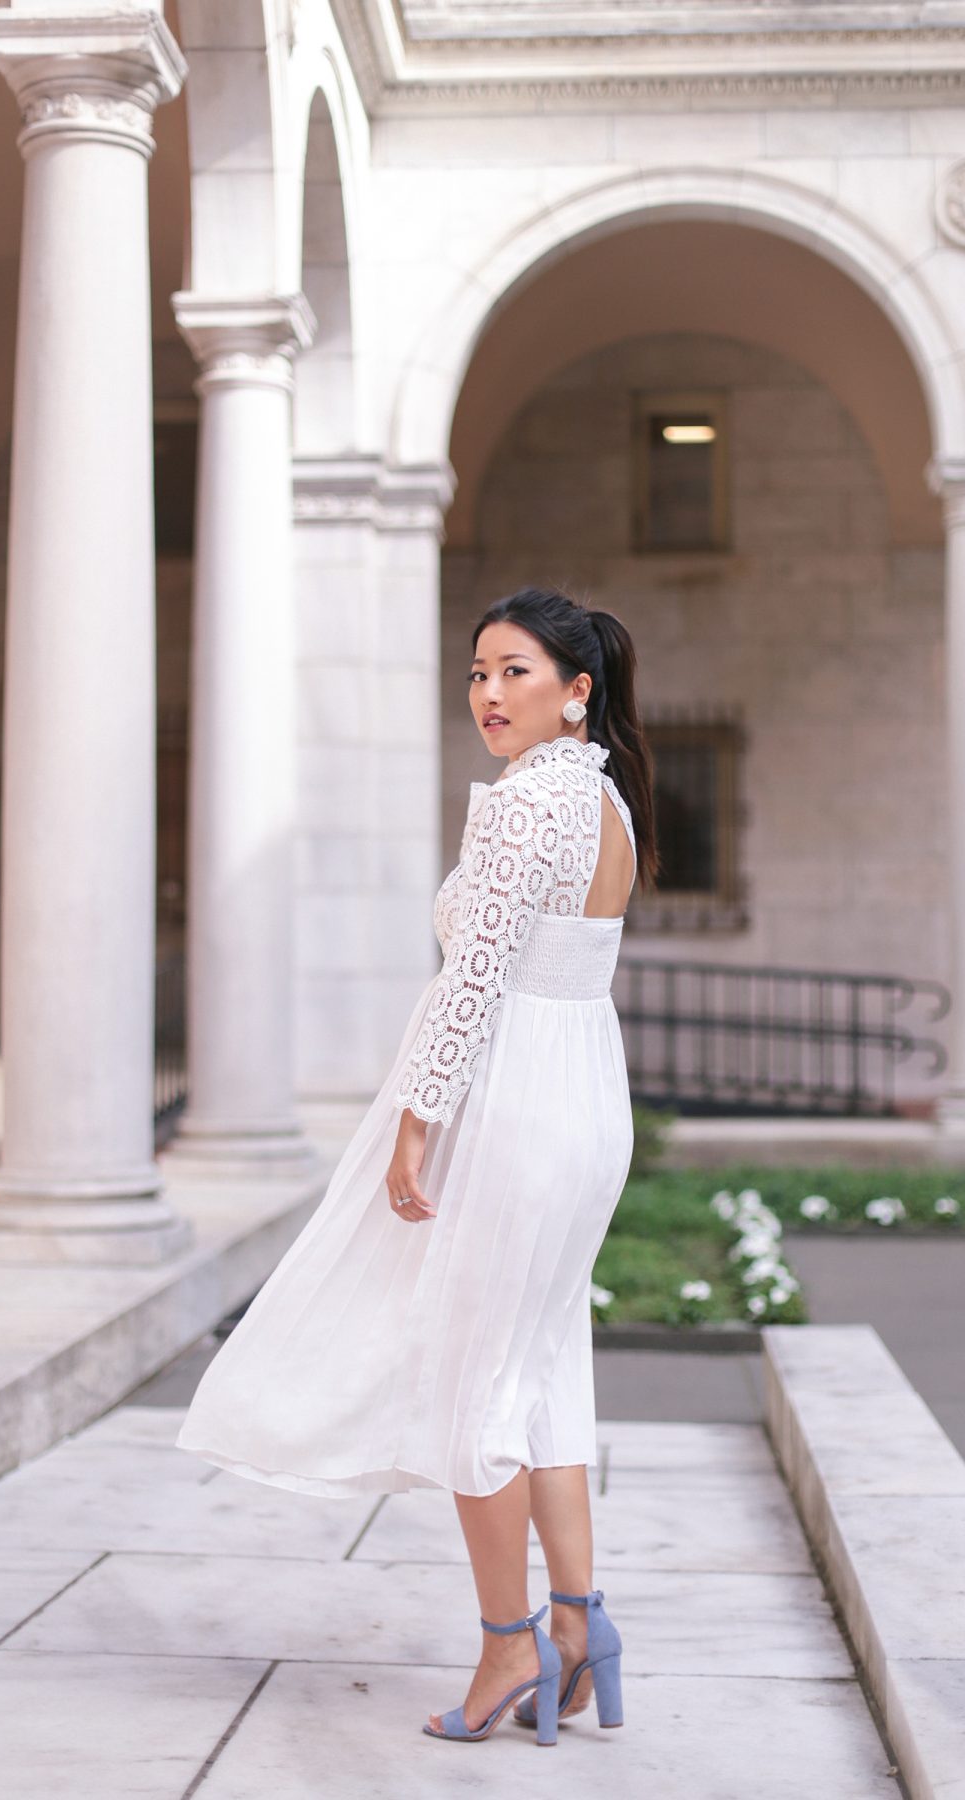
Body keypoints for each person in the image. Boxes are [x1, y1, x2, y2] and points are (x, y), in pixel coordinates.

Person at [174, 584, 658, 1746]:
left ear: (575, 690)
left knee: (472, 1382)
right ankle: (582, 1620)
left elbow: (473, 977)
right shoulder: (610, 806)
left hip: (512, 1099)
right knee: (543, 1368)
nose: (490, 695)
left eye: (516, 674)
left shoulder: (520, 808)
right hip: (587, 1094)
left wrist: (415, 1117)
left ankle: (509, 1650)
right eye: (480, 674)